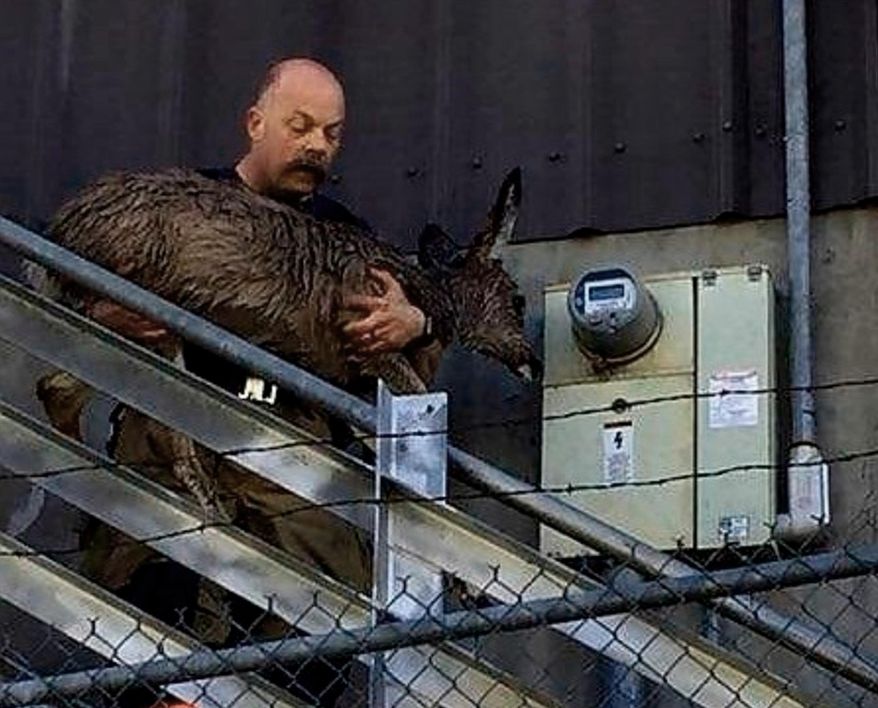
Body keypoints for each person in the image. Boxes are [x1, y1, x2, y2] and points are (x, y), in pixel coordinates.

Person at [77, 58, 443, 707]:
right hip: (172, 457)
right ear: (255, 122)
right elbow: (75, 295)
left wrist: (414, 323)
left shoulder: (345, 239)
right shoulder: (179, 211)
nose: (315, 146)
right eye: (299, 126)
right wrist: (106, 311)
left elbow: (418, 321)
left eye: (330, 134)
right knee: (159, 655)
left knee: (298, 668)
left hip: (297, 485)